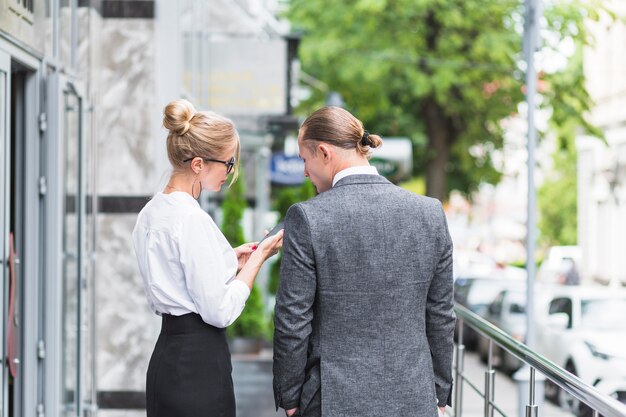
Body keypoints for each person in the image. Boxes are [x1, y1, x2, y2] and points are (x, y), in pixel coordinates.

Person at [272, 106, 455, 417]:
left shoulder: (308, 217)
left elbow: (292, 319)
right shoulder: (429, 213)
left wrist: (290, 398)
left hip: (332, 400)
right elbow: (440, 314)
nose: (305, 171)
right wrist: (439, 393)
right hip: (413, 397)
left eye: (305, 160)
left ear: (324, 152)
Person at [132, 99, 283, 417]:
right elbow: (219, 311)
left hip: (167, 358)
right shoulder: (191, 218)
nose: (230, 174)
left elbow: (177, 276)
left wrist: (228, 261)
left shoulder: (151, 212)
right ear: (198, 164)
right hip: (198, 365)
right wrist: (259, 259)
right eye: (228, 163)